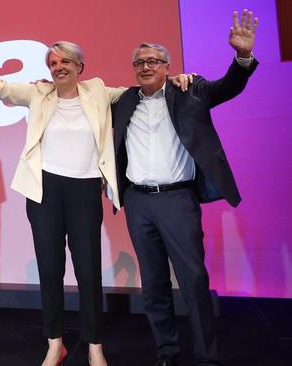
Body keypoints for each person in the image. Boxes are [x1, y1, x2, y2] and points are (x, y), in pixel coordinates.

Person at [0, 17, 191, 366]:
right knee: (50, 269)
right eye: (53, 64)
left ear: (79, 67)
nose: (58, 68)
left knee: (88, 270)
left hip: (85, 190)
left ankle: (95, 345)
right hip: (44, 191)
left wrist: (174, 79)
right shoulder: (37, 93)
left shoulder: (99, 91)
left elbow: (140, 92)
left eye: (65, 63)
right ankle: (55, 343)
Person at [111, 9, 258, 366]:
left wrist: (242, 57)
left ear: (167, 66)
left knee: (193, 281)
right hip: (137, 202)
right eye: (139, 62)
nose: (145, 67)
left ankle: (206, 357)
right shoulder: (123, 100)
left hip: (177, 199)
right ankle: (167, 352)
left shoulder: (191, 90)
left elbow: (230, 86)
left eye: (153, 61)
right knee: (154, 285)